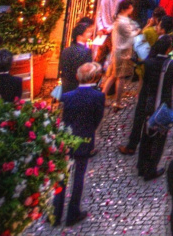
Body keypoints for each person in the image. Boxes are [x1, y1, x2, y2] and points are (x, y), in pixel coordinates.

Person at [53, 63, 106, 227]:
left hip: (67, 139)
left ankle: (56, 213)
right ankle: (72, 213)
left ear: (77, 77)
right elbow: (98, 118)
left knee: (62, 177)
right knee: (78, 177)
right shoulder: (98, 96)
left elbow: (64, 118)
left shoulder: (67, 96)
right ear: (94, 77)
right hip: (85, 138)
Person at [126, 34, 173, 156]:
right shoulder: (169, 63)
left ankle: (134, 147)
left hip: (147, 94)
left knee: (141, 120)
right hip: (156, 97)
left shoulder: (150, 61)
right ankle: (149, 159)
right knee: (153, 129)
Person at [107, 2, 141, 109]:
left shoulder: (120, 20)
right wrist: (138, 31)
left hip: (117, 49)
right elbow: (130, 36)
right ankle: (117, 101)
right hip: (122, 51)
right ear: (124, 9)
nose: (132, 9)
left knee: (113, 76)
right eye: (130, 8)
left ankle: (103, 97)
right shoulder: (122, 22)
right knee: (120, 77)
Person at [59, 16, 97, 94]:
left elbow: (62, 69)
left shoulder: (65, 50)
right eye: (87, 32)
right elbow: (87, 74)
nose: (90, 34)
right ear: (79, 36)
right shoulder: (86, 52)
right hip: (80, 88)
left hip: (66, 87)